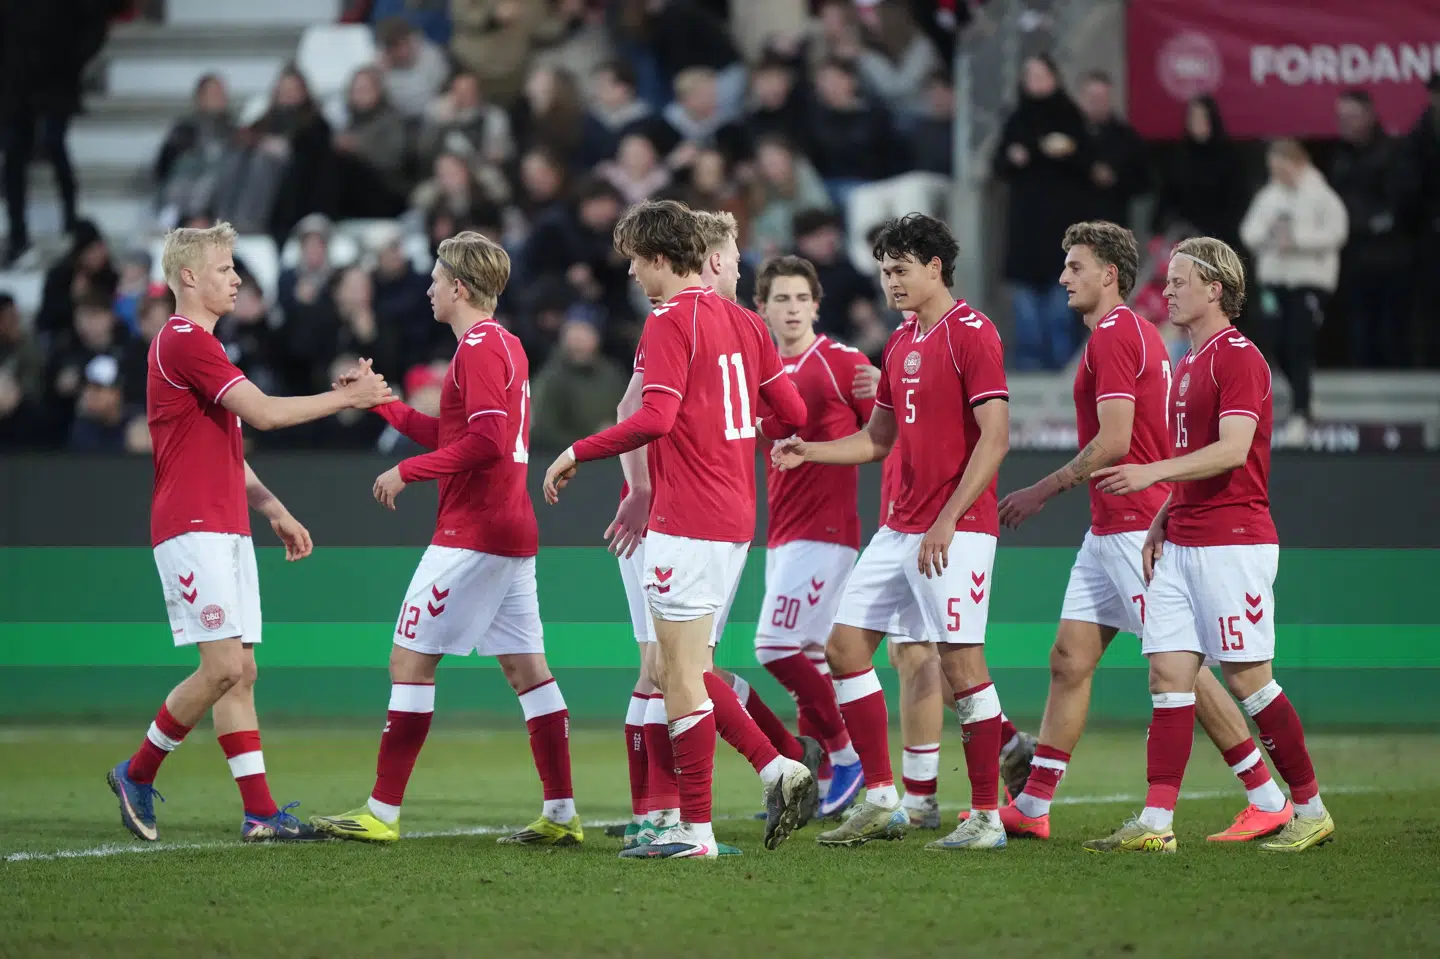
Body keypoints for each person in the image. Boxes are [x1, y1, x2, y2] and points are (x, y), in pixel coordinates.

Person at [996, 221, 1294, 844]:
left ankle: (1266, 793)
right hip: (1111, 528)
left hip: (1135, 527)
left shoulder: (1115, 335)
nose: (1063, 278)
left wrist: (1042, 490)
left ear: (1109, 275)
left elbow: (1115, 440)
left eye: (1074, 267)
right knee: (1068, 661)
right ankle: (1034, 802)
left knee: (1185, 670)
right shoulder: (1130, 334)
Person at [105, 222, 395, 843]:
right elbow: (263, 413)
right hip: (191, 525)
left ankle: (260, 813)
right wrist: (348, 400)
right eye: (224, 268)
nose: (237, 277)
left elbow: (229, 448)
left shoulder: (201, 347)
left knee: (241, 672)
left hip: (225, 525)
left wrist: (272, 509)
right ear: (188, 278)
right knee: (219, 668)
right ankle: (136, 771)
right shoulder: (184, 340)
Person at [543, 199, 813, 859]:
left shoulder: (667, 320)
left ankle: (697, 828)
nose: (633, 274)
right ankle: (770, 771)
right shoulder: (747, 322)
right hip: (734, 519)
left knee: (680, 675)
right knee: (679, 668)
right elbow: (795, 409)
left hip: (685, 519)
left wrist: (581, 449)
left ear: (661, 257)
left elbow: (655, 415)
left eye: (636, 260)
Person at [311, 232, 582, 847]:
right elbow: (455, 431)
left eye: (436, 279)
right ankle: (562, 816)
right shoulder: (504, 344)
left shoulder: (478, 350)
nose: (429, 288)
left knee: (409, 661)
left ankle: (380, 812)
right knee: (527, 670)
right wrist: (385, 406)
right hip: (508, 529)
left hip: (474, 531)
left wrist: (406, 470)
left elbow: (484, 445)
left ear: (458, 287)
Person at [1085, 237, 1334, 854]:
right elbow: (1197, 462)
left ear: (1215, 289)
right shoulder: (1188, 362)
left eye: (1178, 282)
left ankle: (1310, 808)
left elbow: (1232, 450)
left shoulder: (1239, 358)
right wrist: (1163, 517)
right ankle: (1155, 822)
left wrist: (1151, 476)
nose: (1165, 292)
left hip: (1234, 541)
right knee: (1168, 677)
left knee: (1251, 682)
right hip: (1184, 541)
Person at [773, 213, 1013, 851]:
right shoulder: (902, 341)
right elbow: (880, 439)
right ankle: (883, 798)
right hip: (902, 525)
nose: (891, 282)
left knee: (962, 665)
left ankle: (986, 817)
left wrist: (948, 520)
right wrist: (811, 451)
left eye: (901, 269)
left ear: (936, 267)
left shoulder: (973, 334)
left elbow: (995, 439)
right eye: (884, 271)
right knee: (845, 647)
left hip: (955, 528)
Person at [751, 254, 872, 817]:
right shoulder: (760, 371)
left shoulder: (842, 363)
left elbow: (888, 433)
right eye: (781, 299)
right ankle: (819, 781)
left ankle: (848, 757)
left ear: (817, 305)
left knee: (773, 645)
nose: (793, 308)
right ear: (762, 308)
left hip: (826, 531)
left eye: (802, 298)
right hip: (782, 531)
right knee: (811, 654)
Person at [1238, 140, 1347, 447]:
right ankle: (1304, 400)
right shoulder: (1268, 197)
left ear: (1296, 163)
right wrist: (1270, 234)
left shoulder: (1322, 195)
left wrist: (1297, 240)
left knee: (1300, 341)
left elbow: (1337, 232)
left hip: (1308, 281)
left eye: (1281, 166)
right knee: (1274, 340)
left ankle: (1301, 411)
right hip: (1274, 281)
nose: (1277, 173)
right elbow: (1249, 231)